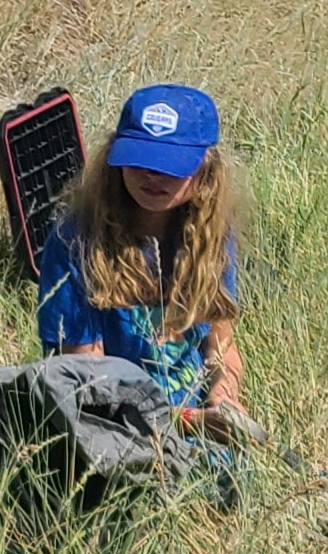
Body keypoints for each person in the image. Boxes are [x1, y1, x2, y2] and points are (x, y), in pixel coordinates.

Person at [37, 83, 246, 437]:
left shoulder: (211, 238)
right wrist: (187, 422)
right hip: (109, 428)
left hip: (196, 420)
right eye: (140, 161)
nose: (152, 176)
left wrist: (223, 398)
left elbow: (220, 343)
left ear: (205, 173)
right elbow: (87, 383)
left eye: (170, 167)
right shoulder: (76, 241)